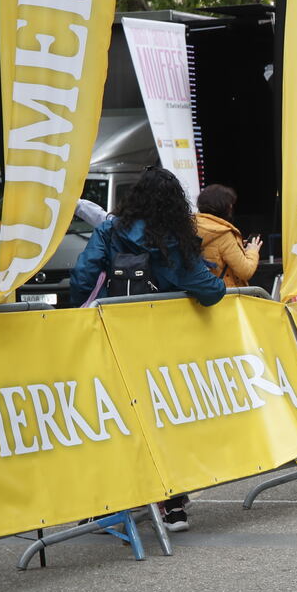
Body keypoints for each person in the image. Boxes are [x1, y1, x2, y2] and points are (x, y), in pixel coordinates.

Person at [69, 166, 225, 533]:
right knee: (165, 418)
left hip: (116, 337)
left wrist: (90, 308)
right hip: (164, 344)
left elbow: (82, 277)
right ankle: (173, 506)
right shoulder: (176, 238)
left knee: (120, 419)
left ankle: (115, 503)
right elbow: (211, 291)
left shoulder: (111, 229)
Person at [194, 184, 261, 287]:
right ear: (225, 206)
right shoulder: (223, 234)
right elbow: (245, 271)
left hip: (202, 291)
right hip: (225, 294)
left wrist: (236, 246)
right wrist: (252, 251)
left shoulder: (191, 226)